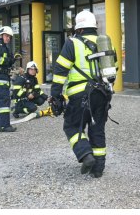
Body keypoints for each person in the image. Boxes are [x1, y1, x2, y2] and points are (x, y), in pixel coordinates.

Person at [49, 10, 113, 178]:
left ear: (79, 28)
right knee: (97, 129)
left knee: (71, 126)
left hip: (80, 94)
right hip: (102, 94)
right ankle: (98, 169)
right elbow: (115, 69)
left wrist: (56, 96)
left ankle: (85, 155)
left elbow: (60, 71)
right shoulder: (105, 43)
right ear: (94, 26)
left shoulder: (72, 43)